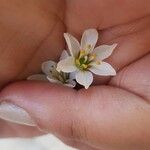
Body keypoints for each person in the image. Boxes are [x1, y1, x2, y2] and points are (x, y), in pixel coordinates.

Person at [0, 0, 150, 149]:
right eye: (81, 60)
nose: (83, 60)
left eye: (83, 61)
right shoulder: (69, 60)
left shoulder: (84, 69)